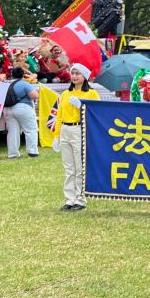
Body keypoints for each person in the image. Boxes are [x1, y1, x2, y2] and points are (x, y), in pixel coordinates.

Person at [53, 63, 100, 211]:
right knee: (69, 167)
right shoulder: (65, 94)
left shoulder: (91, 94)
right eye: (72, 73)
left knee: (79, 167)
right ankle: (70, 198)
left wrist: (82, 106)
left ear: (84, 77)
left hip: (79, 129)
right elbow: (59, 116)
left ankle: (80, 199)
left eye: (77, 74)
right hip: (65, 129)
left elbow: (96, 113)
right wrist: (56, 135)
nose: (74, 76)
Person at [3, 66, 40, 159]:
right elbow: (35, 96)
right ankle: (32, 151)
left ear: (12, 75)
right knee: (30, 130)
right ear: (23, 75)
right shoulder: (24, 84)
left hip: (7, 109)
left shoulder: (6, 84)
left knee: (12, 132)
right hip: (23, 108)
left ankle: (13, 154)